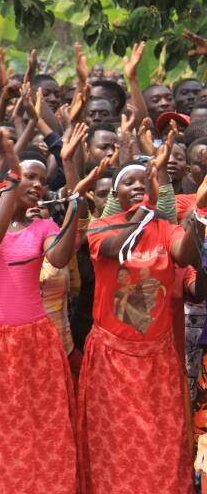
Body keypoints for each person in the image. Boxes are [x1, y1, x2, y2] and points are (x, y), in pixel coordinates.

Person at [0, 130, 101, 493]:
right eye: (30, 176)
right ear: (7, 177)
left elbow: (59, 257)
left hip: (37, 341)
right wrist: (10, 178)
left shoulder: (44, 225)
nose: (38, 185)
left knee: (43, 430)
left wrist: (75, 195)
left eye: (43, 180)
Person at [81, 157, 206, 493]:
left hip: (157, 360)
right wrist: (146, 211)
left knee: (160, 446)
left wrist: (199, 213)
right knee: (114, 448)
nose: (137, 186)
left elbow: (186, 256)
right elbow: (115, 248)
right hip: (112, 359)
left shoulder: (166, 229)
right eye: (129, 182)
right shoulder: (101, 227)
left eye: (143, 181)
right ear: (116, 193)